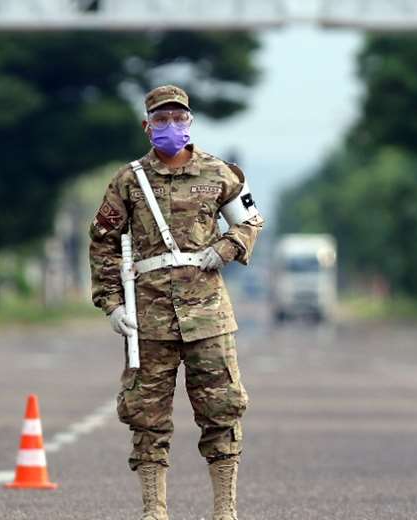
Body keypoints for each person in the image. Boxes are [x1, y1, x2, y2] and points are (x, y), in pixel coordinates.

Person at [89, 85, 263, 520]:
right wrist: (112, 303)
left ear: (190, 123)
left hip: (208, 316)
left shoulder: (220, 173)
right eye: (161, 120)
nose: (171, 127)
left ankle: (224, 510)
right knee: (146, 417)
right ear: (147, 127)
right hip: (149, 318)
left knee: (222, 410)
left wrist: (226, 248)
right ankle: (154, 511)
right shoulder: (129, 181)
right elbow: (103, 243)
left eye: (178, 119)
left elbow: (251, 221)